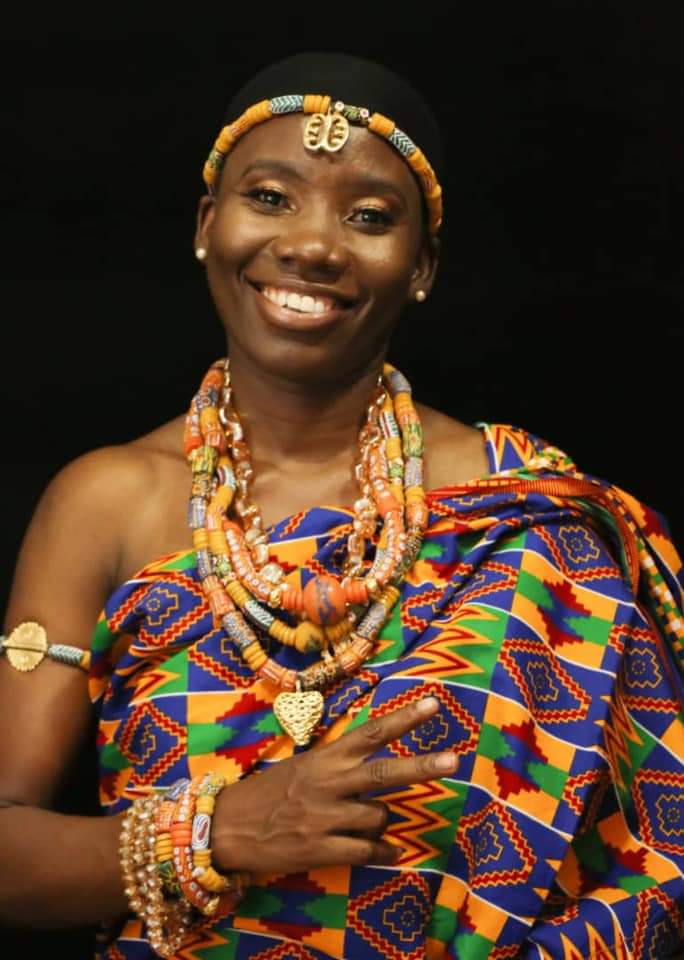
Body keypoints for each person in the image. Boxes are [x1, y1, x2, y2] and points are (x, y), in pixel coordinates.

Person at [1, 51, 682, 960]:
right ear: (210, 224)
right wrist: (220, 831)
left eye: (368, 217)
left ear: (423, 265)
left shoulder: (527, 508)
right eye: (271, 197)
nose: (314, 244)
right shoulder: (110, 500)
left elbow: (659, 855)